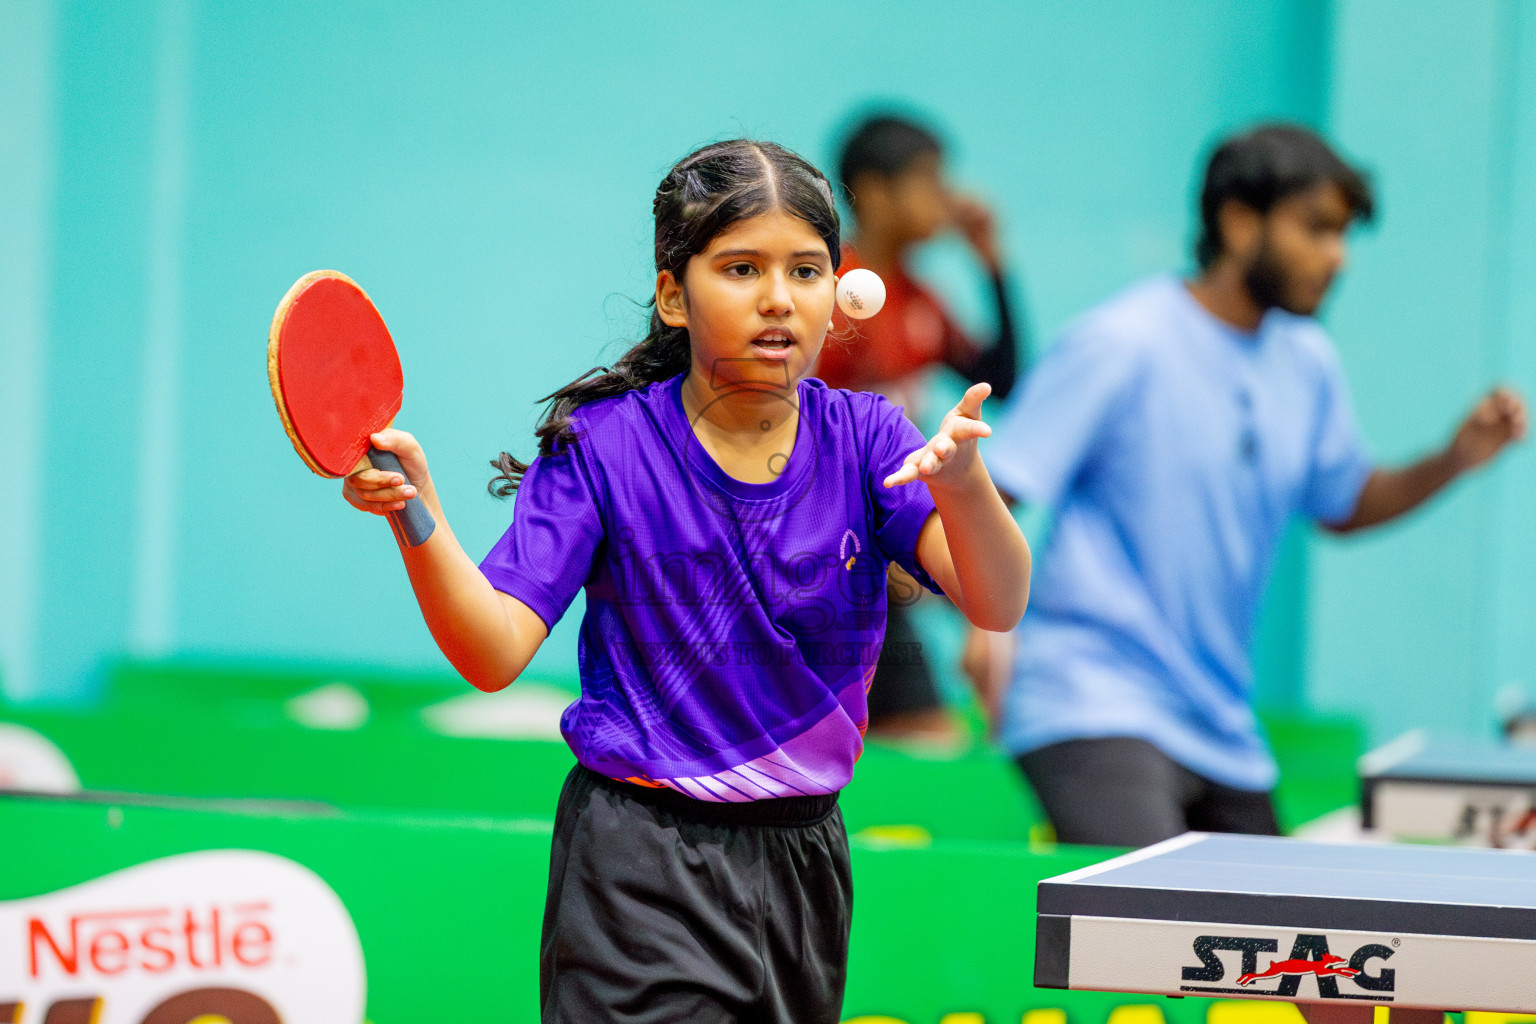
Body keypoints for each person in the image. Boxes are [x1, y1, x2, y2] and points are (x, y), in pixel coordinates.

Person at [341, 140, 1030, 1022]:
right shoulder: (606, 446)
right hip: (641, 860)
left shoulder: (868, 439)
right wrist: (418, 517)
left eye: (806, 271)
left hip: (804, 860)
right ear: (674, 293)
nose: (778, 298)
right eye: (741, 269)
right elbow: (493, 648)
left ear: (836, 292)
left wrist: (965, 487)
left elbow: (997, 599)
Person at [982, 123, 1526, 847]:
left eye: (1343, 235)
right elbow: (997, 490)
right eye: (1318, 230)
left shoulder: (1306, 360)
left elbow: (1344, 502)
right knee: (1151, 930)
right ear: (1238, 222)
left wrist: (1453, 459)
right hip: (1093, 699)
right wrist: (983, 625)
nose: (1339, 258)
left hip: (1222, 727)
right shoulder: (1122, 342)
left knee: (1274, 950)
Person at [816, 113, 1024, 741]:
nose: (947, 198)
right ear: (874, 193)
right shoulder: (831, 294)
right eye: (929, 180)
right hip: (830, 542)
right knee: (927, 737)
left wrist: (992, 266)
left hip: (883, 533)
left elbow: (1003, 378)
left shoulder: (919, 298)